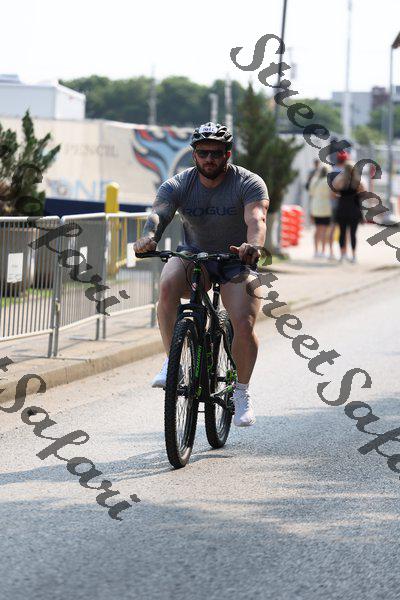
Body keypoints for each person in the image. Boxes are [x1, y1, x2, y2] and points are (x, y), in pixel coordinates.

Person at [133, 122, 269, 427]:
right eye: (203, 153)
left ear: (227, 154)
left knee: (243, 323)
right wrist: (148, 237)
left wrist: (253, 246)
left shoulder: (248, 182)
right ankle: (173, 362)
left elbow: (257, 217)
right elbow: (158, 214)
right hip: (195, 256)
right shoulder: (178, 184)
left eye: (216, 153)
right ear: (194, 154)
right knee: (167, 287)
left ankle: (241, 392)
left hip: (236, 261)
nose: (209, 159)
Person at [331, 161, 365, 263]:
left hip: (342, 209)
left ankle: (342, 255)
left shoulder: (341, 180)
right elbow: (363, 192)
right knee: (353, 234)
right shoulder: (357, 181)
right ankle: (354, 256)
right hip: (354, 210)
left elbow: (333, 193)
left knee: (342, 233)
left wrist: (342, 196)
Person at [309, 165, 333, 258]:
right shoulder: (327, 182)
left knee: (317, 229)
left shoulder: (314, 180)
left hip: (315, 207)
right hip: (325, 208)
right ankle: (323, 251)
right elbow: (331, 194)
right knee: (324, 230)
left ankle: (316, 251)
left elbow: (311, 193)